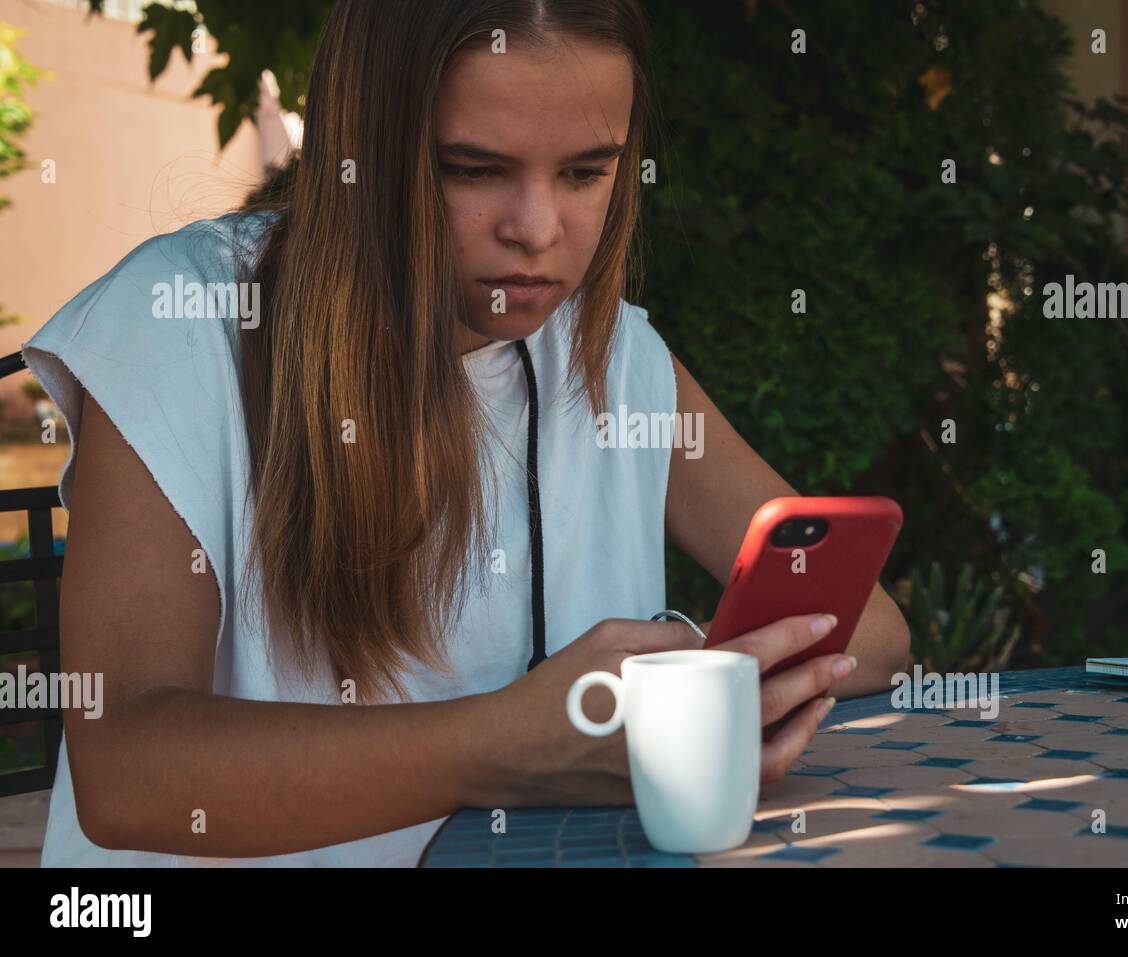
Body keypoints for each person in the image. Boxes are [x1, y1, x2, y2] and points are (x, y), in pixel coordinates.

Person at [21, 0, 909, 867]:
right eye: (474, 169)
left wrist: (686, 687)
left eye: (585, 172)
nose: (538, 230)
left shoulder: (614, 354)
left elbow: (868, 627)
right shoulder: (188, 319)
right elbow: (126, 770)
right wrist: (512, 742)